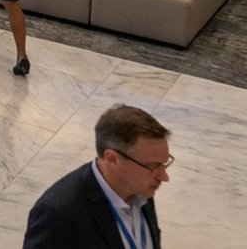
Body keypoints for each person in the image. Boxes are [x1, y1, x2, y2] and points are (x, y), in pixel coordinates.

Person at [24, 105, 171, 249]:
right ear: (112, 159)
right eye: (153, 166)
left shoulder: (141, 189)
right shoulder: (58, 214)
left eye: (164, 164)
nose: (164, 176)